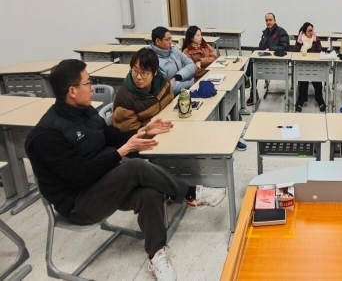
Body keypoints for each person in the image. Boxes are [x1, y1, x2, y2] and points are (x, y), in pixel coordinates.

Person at [25, 60, 227, 281]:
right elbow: (80, 175)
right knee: (134, 167)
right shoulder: (46, 136)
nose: (92, 87)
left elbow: (110, 136)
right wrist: (123, 151)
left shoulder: (85, 111)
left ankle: (156, 254)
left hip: (102, 183)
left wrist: (142, 131)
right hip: (79, 204)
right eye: (88, 82)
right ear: (72, 91)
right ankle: (191, 193)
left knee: (151, 193)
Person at [112, 49, 174, 132]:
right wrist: (149, 130)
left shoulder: (163, 82)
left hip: (166, 125)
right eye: (135, 71)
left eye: (144, 73)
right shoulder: (125, 99)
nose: (138, 77)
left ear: (155, 72)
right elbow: (131, 132)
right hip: (145, 136)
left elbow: (171, 103)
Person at [246, 13, 289, 106]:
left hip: (277, 64)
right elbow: (260, 47)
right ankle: (253, 93)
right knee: (253, 60)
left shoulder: (281, 32)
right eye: (266, 20)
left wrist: (270, 49)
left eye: (270, 20)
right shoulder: (265, 33)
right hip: (265, 63)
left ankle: (246, 77)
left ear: (275, 20)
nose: (268, 22)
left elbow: (285, 47)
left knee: (254, 64)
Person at [149, 27, 196, 96]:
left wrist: (177, 77)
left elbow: (191, 64)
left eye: (170, 39)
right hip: (170, 97)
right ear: (158, 41)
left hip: (184, 91)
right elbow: (168, 88)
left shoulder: (174, 50)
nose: (170, 42)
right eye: (167, 40)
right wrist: (191, 82)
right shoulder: (152, 59)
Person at [293, 22, 327, 112]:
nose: (311, 32)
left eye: (312, 30)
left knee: (317, 80)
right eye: (309, 31)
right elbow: (295, 52)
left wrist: (308, 51)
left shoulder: (316, 39)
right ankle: (301, 100)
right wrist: (299, 43)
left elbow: (319, 51)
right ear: (304, 32)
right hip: (303, 66)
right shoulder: (300, 39)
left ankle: (319, 99)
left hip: (315, 66)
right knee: (303, 80)